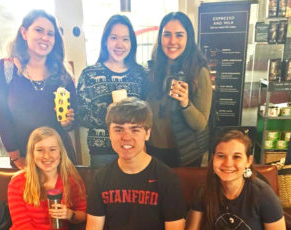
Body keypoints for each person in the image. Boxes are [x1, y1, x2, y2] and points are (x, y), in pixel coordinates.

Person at [0, 9, 77, 169]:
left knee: (66, 195)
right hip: (25, 158)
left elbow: (74, 117)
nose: (45, 37)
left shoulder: (61, 73)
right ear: (24, 32)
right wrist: (16, 157)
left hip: (60, 158)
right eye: (39, 30)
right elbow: (1, 117)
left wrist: (68, 122)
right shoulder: (4, 69)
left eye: (51, 34)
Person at [86, 97, 186, 230]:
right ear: (109, 133)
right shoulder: (101, 178)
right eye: (118, 129)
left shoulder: (167, 179)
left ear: (147, 133)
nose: (126, 137)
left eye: (135, 130)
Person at [77, 14, 147, 168]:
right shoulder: (89, 74)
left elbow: (147, 115)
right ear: (105, 41)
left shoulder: (141, 74)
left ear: (132, 43)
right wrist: (108, 114)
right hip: (102, 152)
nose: (119, 44)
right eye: (114, 37)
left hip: (134, 149)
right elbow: (81, 115)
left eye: (125, 39)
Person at [147, 12, 212, 167]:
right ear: (160, 37)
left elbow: (201, 124)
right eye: (167, 34)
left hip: (184, 154)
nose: (172, 41)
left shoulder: (199, 71)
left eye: (179, 35)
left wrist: (185, 103)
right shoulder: (154, 68)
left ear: (188, 38)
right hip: (152, 150)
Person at [186, 129, 286, 230]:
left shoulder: (264, 195)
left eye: (237, 157)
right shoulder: (204, 189)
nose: (228, 163)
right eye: (221, 156)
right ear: (213, 159)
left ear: (248, 161)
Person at [8, 127, 86, 230]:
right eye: (40, 150)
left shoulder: (72, 180)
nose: (46, 156)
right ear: (32, 153)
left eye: (52, 149)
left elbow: (84, 215)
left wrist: (70, 214)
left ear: (60, 152)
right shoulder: (17, 182)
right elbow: (22, 224)